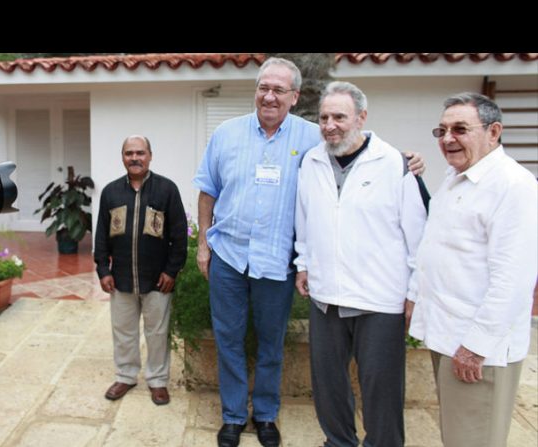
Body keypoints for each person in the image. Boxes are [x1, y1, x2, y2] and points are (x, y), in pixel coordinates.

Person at [193, 57, 424, 447]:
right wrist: (202, 244)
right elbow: (206, 190)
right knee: (227, 339)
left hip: (275, 262)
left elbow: (354, 141)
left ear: (295, 96)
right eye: (263, 87)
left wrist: (406, 160)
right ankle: (233, 416)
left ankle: (265, 414)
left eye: (279, 90)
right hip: (228, 258)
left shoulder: (311, 138)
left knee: (271, 343)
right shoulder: (226, 133)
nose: (269, 96)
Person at [293, 81, 428, 447]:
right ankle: (338, 442)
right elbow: (304, 222)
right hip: (326, 297)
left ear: (361, 118)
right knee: (328, 385)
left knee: (381, 388)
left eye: (339, 116)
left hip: (379, 300)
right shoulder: (311, 161)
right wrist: (303, 264)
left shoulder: (394, 163)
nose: (329, 125)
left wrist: (414, 293)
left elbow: (417, 237)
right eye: (323, 117)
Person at [407, 92, 537, 447]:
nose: (448, 139)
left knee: (475, 438)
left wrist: (475, 347)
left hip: (478, 348)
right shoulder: (456, 178)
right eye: (442, 130)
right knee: (458, 435)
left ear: (494, 132)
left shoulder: (513, 187)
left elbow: (513, 280)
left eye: (461, 129)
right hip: (450, 335)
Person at [94, 135, 187, 406]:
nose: (134, 158)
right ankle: (126, 375)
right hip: (120, 278)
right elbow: (101, 235)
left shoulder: (167, 190)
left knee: (157, 333)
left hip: (157, 279)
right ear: (122, 157)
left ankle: (158, 381)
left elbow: (179, 236)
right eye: (129, 153)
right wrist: (103, 269)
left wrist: (171, 270)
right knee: (123, 331)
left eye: (140, 153)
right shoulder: (111, 192)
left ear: (150, 155)